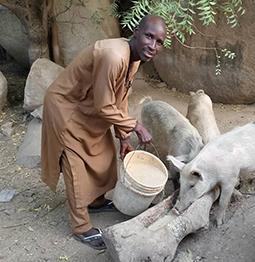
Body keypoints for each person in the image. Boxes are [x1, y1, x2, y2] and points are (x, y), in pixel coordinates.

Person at [41, 15, 167, 250]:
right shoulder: (114, 56)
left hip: (87, 108)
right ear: (136, 32)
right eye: (149, 36)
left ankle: (97, 201)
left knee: (105, 153)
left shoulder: (135, 58)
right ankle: (81, 228)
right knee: (75, 164)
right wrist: (135, 126)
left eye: (159, 42)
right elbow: (104, 106)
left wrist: (123, 138)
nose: (153, 45)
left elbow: (120, 98)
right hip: (66, 108)